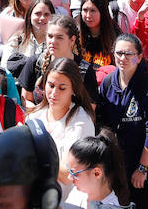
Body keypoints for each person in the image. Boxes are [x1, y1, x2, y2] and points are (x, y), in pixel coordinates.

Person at [95, 33, 148, 208]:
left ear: (139, 57)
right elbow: (101, 120)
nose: (122, 58)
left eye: (128, 54)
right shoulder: (108, 82)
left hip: (141, 161)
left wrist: (142, 168)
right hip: (115, 160)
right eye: (119, 53)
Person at [26, 57, 96, 199]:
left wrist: (31, 155)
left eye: (62, 88)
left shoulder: (81, 122)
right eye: (51, 86)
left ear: (74, 90)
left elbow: (68, 175)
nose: (54, 93)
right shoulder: (34, 117)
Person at [19, 14, 99, 107]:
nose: (52, 41)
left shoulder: (85, 70)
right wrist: (42, 116)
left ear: (72, 40)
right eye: (50, 36)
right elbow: (26, 99)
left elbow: (90, 108)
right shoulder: (34, 63)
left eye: (59, 37)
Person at [63, 130, 131, 208]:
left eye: (74, 173)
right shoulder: (77, 192)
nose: (69, 177)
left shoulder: (110, 206)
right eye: (68, 169)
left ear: (96, 173)